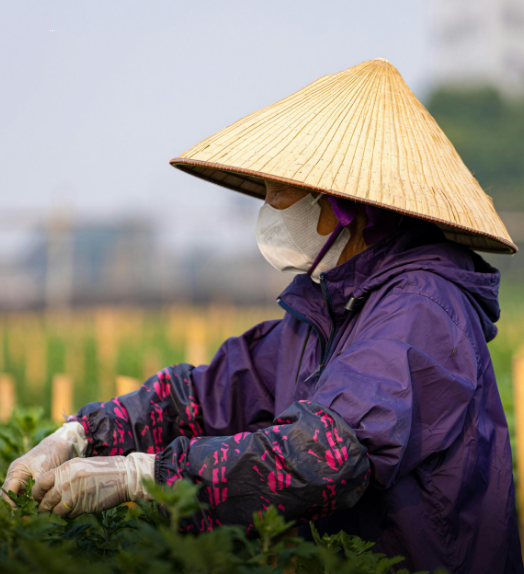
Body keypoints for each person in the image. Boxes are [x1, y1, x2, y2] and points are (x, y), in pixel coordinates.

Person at [2, 57, 522, 573]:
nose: (269, 205)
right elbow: (210, 394)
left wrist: (147, 476)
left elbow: (323, 456)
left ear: (342, 204)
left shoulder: (422, 307)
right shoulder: (330, 310)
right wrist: (81, 436)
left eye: (282, 190)